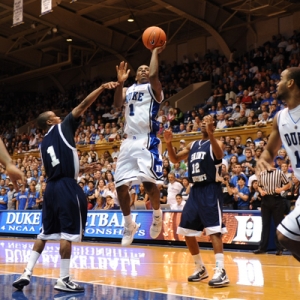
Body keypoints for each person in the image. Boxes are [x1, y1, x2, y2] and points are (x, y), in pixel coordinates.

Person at [12, 81, 118, 292]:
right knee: (67, 235)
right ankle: (64, 279)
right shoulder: (62, 127)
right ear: (51, 120)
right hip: (66, 187)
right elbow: (84, 104)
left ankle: (26, 272)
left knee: (43, 234)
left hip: (51, 188)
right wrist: (102, 88)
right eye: (56, 115)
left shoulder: (42, 145)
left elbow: (58, 167)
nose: (60, 116)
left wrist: (85, 169)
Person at [163, 115, 229, 287]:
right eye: (202, 124)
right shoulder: (193, 145)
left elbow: (219, 154)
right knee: (186, 230)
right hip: (195, 190)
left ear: (212, 126)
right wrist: (169, 143)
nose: (203, 126)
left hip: (210, 188)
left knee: (214, 231)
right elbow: (175, 159)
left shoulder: (217, 142)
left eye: (207, 124)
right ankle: (200, 267)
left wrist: (212, 134)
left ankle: (221, 270)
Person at [113, 44, 166, 247]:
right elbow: (118, 105)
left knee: (149, 185)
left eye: (146, 68)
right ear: (135, 76)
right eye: (140, 69)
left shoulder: (154, 89)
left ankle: (157, 214)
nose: (144, 71)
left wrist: (154, 51)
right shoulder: (129, 89)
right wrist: (119, 84)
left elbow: (154, 75)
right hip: (128, 141)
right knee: (120, 187)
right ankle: (129, 224)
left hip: (147, 139)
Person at [256, 67, 300, 261]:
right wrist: (264, 159)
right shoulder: (280, 118)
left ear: (291, 83)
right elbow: (270, 150)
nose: (277, 82)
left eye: (281, 79)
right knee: (284, 235)